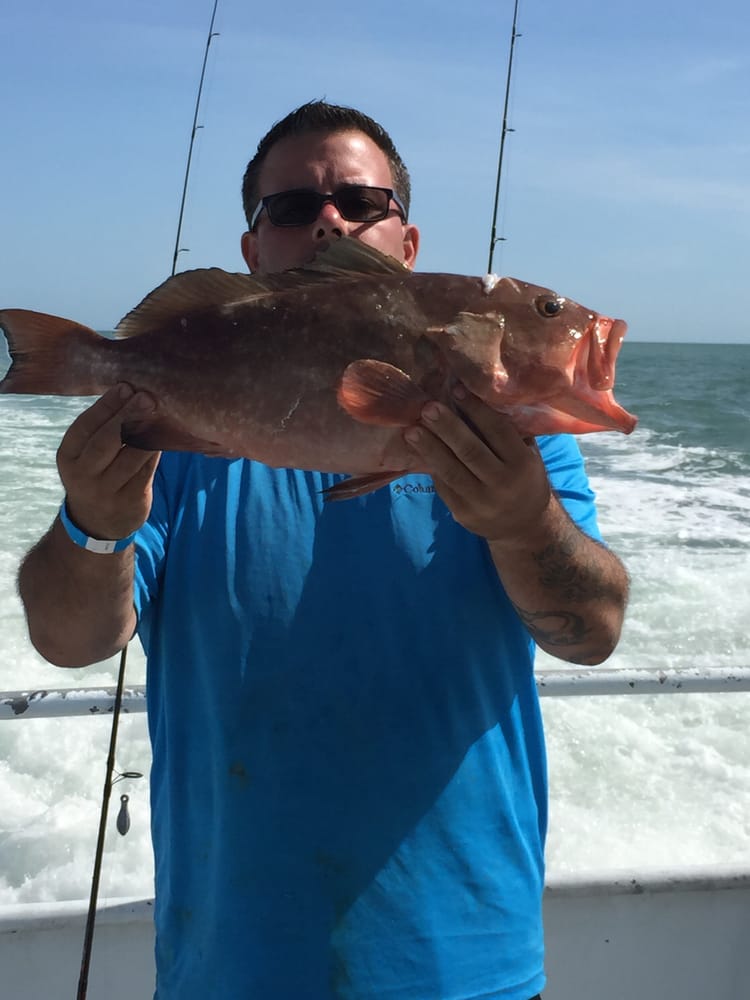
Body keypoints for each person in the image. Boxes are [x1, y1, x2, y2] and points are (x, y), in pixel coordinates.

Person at [18, 101, 629, 1000]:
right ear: (253, 249)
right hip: (229, 967)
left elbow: (592, 631)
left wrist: (522, 518)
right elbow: (69, 641)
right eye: (293, 209)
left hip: (467, 964)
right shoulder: (175, 446)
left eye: (361, 201)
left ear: (410, 243)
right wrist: (96, 519)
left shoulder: (522, 444)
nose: (329, 220)